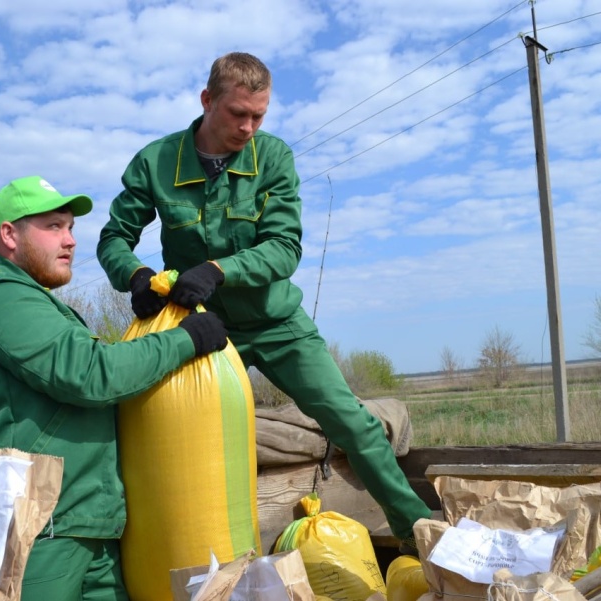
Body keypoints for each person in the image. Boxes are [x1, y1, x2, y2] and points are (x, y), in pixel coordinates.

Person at [96, 52, 432, 555]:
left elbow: (284, 248)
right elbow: (112, 239)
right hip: (200, 328)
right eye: (238, 114)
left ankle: (421, 533)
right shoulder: (157, 162)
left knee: (351, 421)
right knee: (146, 426)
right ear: (207, 101)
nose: (248, 127)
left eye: (259, 116)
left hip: (275, 321)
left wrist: (217, 270)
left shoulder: (273, 158)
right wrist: (136, 275)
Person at [0, 175, 228, 600]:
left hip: (84, 522)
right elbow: (91, 375)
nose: (70, 240)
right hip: (33, 531)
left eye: (71, 228)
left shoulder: (37, 301)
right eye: (53, 227)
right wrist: (187, 338)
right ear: (9, 235)